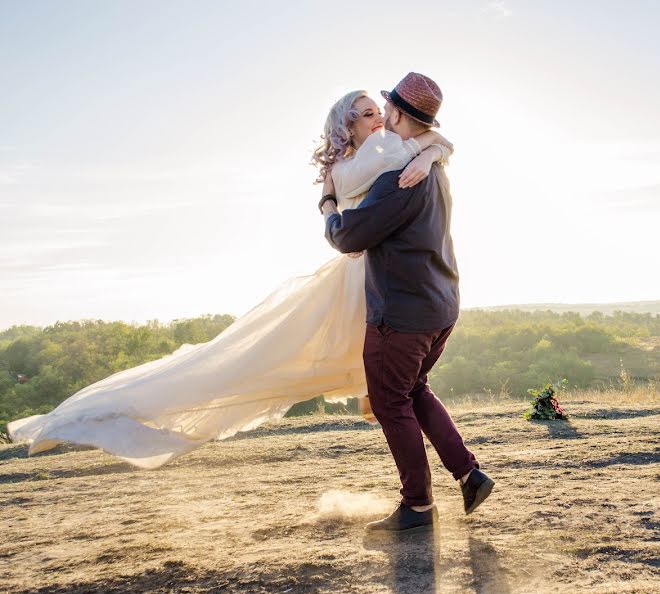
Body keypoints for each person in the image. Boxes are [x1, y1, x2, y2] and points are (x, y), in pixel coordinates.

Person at [6, 86, 451, 469]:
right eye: (369, 112)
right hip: (359, 279)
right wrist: (431, 151)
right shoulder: (363, 161)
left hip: (369, 280)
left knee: (389, 386)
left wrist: (432, 151)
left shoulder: (374, 155)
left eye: (381, 110)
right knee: (251, 359)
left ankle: (389, 422)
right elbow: (421, 142)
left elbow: (428, 139)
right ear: (347, 124)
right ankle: (114, 415)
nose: (380, 120)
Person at [322, 72, 494, 532]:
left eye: (385, 110)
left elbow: (349, 237)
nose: (381, 118)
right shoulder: (431, 168)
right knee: (413, 390)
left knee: (388, 402)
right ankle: (469, 473)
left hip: (401, 314)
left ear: (397, 114)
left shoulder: (400, 176)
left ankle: (417, 506)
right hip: (441, 304)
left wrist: (328, 209)